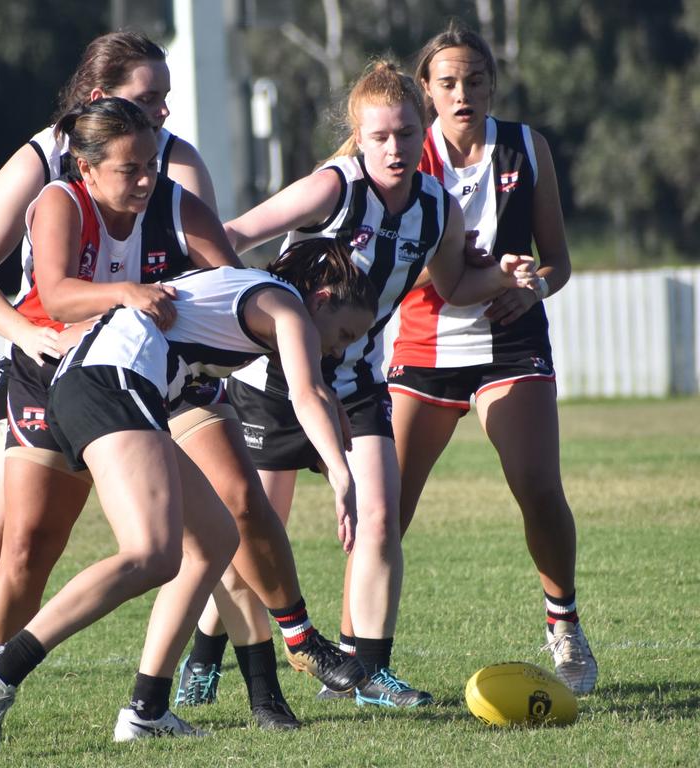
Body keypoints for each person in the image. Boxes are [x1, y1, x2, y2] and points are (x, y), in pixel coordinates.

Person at [0, 30, 228, 745]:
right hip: (43, 366)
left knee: (212, 529)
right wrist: (30, 331)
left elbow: (220, 281)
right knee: (7, 543)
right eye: (146, 100)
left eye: (164, 101)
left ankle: (172, 701)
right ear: (96, 103)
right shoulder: (48, 169)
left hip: (130, 377)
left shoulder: (164, 170)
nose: (164, 113)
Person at [183, 59, 538, 709]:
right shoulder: (333, 188)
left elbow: (456, 285)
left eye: (405, 133)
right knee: (256, 534)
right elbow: (231, 234)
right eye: (380, 137)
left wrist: (510, 276)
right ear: (359, 136)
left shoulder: (436, 206)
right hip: (273, 381)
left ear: (420, 129)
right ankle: (205, 653)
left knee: (377, 519)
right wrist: (243, 313)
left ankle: (368, 675)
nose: (395, 148)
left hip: (359, 382)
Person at [0, 236, 380, 756]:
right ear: (320, 299)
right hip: (110, 383)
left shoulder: (254, 297)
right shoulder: (285, 305)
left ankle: (147, 711)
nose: (339, 348)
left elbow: (313, 390)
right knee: (151, 554)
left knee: (215, 539)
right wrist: (343, 474)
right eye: (343, 334)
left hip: (102, 384)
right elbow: (307, 392)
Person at [386, 21, 597, 694]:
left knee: (538, 486)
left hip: (510, 341)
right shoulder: (401, 153)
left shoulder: (525, 147)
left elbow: (558, 263)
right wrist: (459, 271)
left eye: (474, 80)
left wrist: (532, 281)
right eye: (446, 82)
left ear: (492, 84)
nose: (461, 93)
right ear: (425, 91)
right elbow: (383, 258)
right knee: (385, 509)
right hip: (423, 345)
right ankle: (366, 656)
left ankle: (564, 626)